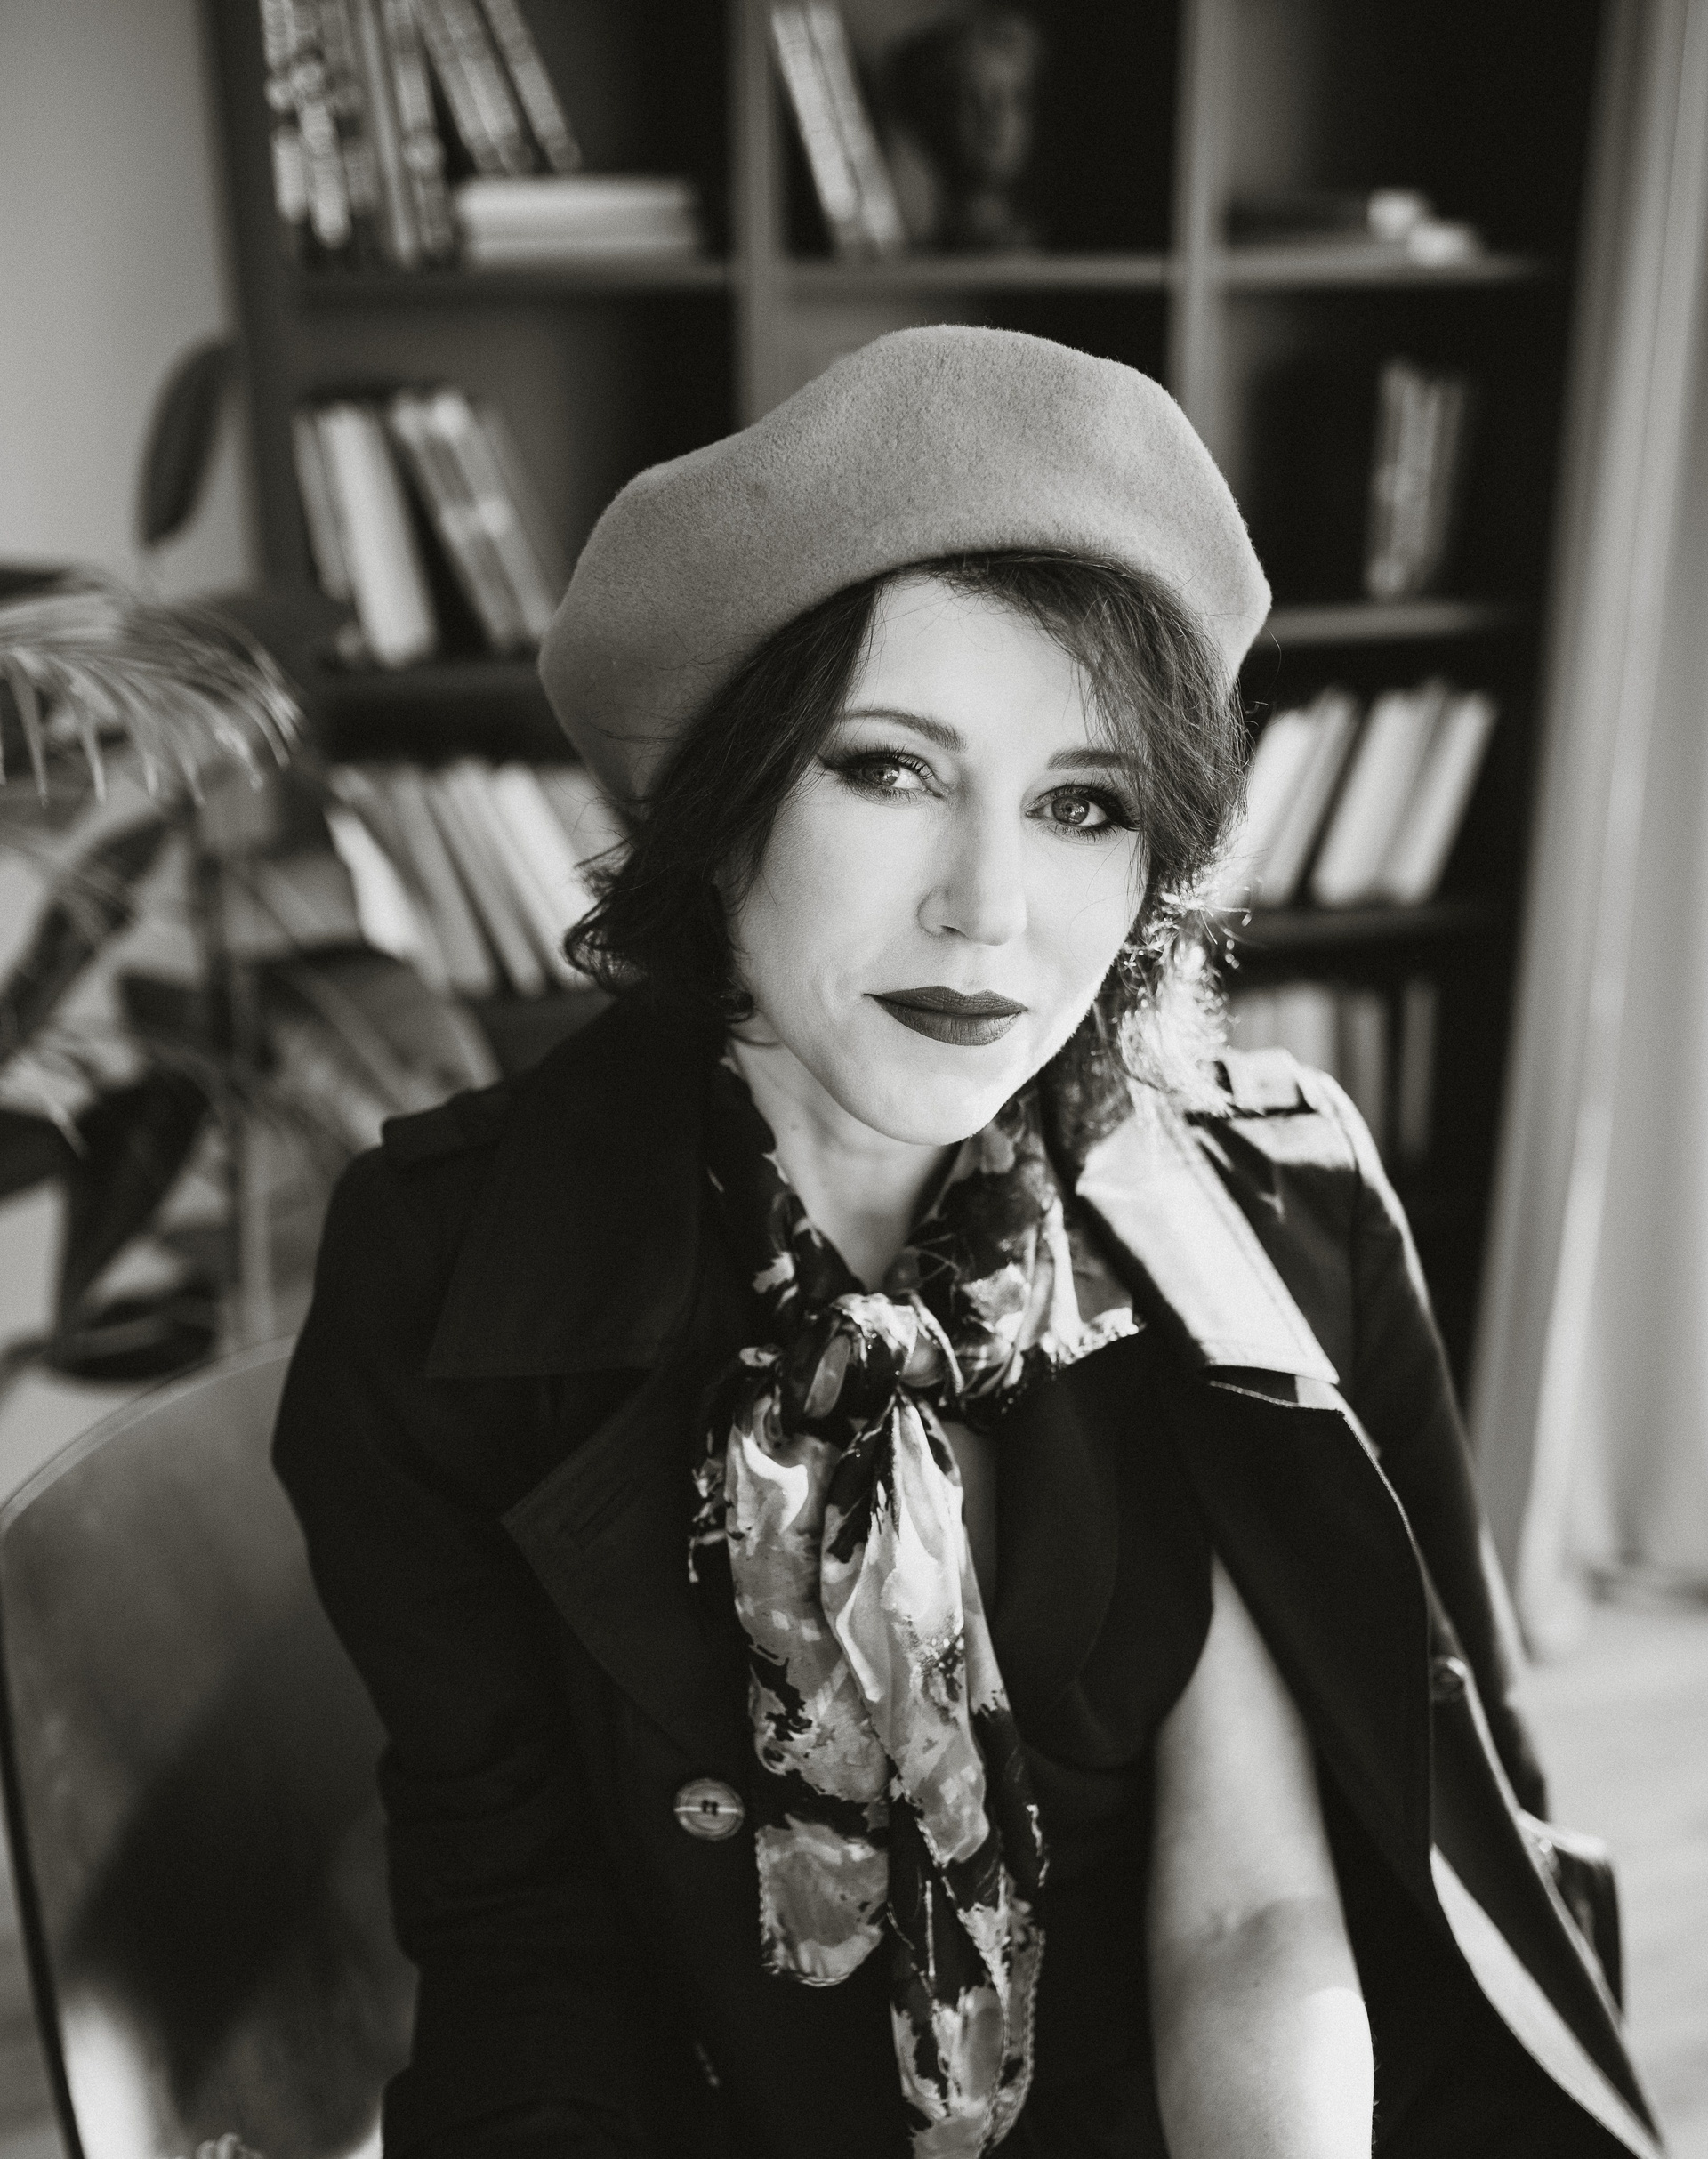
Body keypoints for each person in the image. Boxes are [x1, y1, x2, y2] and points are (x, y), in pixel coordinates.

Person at [275, 327, 1662, 2159]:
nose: (990, 910)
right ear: (719, 802)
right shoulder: (444, 1275)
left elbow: (1269, 1921)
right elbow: (526, 1959)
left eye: (1085, 804)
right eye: (888, 770)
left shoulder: (1264, 1227)